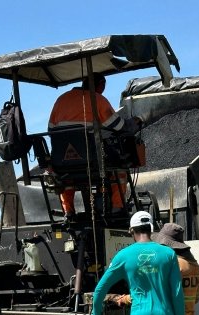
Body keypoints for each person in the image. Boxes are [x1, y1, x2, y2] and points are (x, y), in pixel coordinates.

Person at [48, 74, 141, 219]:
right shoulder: (97, 99)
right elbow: (118, 125)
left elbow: (51, 130)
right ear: (100, 85)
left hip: (63, 161)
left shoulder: (61, 100)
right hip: (91, 162)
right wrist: (134, 122)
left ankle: (69, 212)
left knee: (66, 178)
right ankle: (117, 207)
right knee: (120, 169)